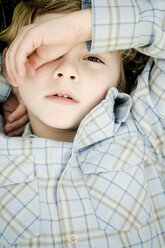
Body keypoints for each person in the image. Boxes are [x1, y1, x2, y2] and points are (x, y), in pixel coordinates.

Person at [0, 1, 165, 248]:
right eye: (46, 53)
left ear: (119, 82)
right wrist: (10, 82)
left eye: (93, 57)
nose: (66, 70)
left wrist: (83, 26)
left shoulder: (147, 124)